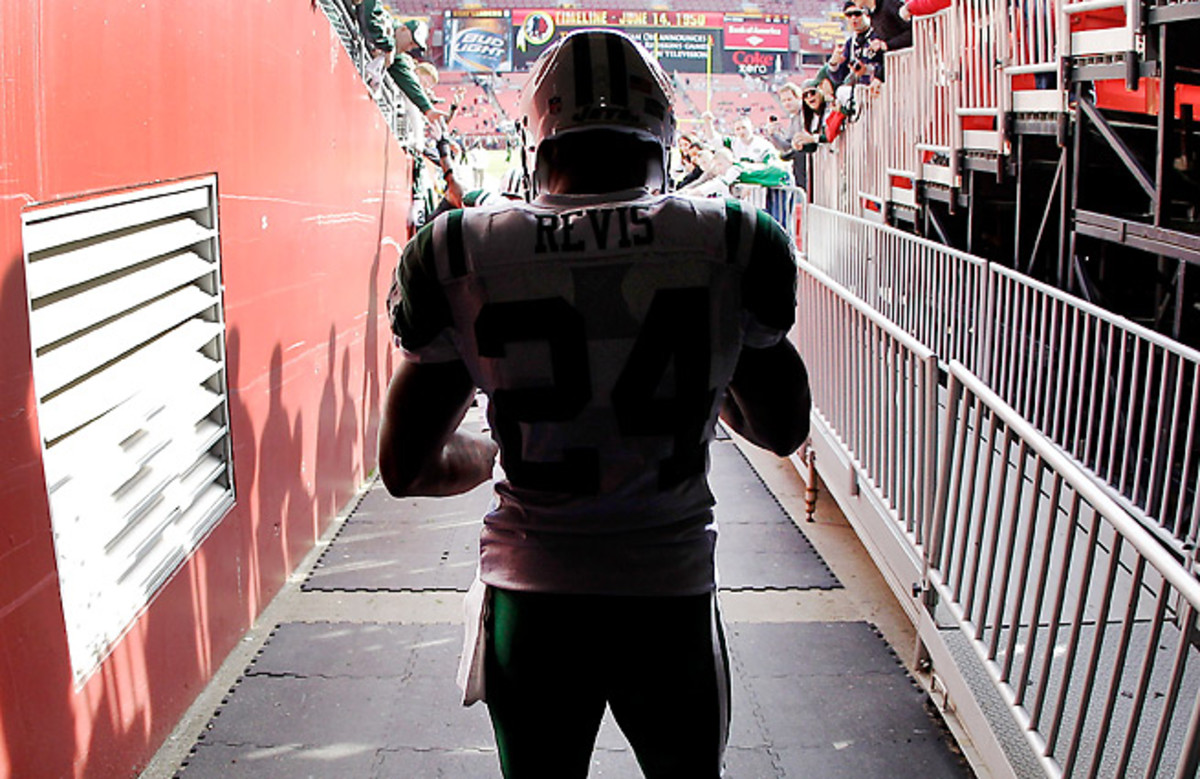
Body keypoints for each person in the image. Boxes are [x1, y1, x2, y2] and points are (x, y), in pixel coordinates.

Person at [379, 28, 810, 779]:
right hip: (666, 592)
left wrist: (499, 452)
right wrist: (708, 379)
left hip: (535, 599)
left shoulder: (463, 252)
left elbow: (404, 466)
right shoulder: (731, 242)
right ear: (665, 141)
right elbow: (782, 426)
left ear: (536, 145)